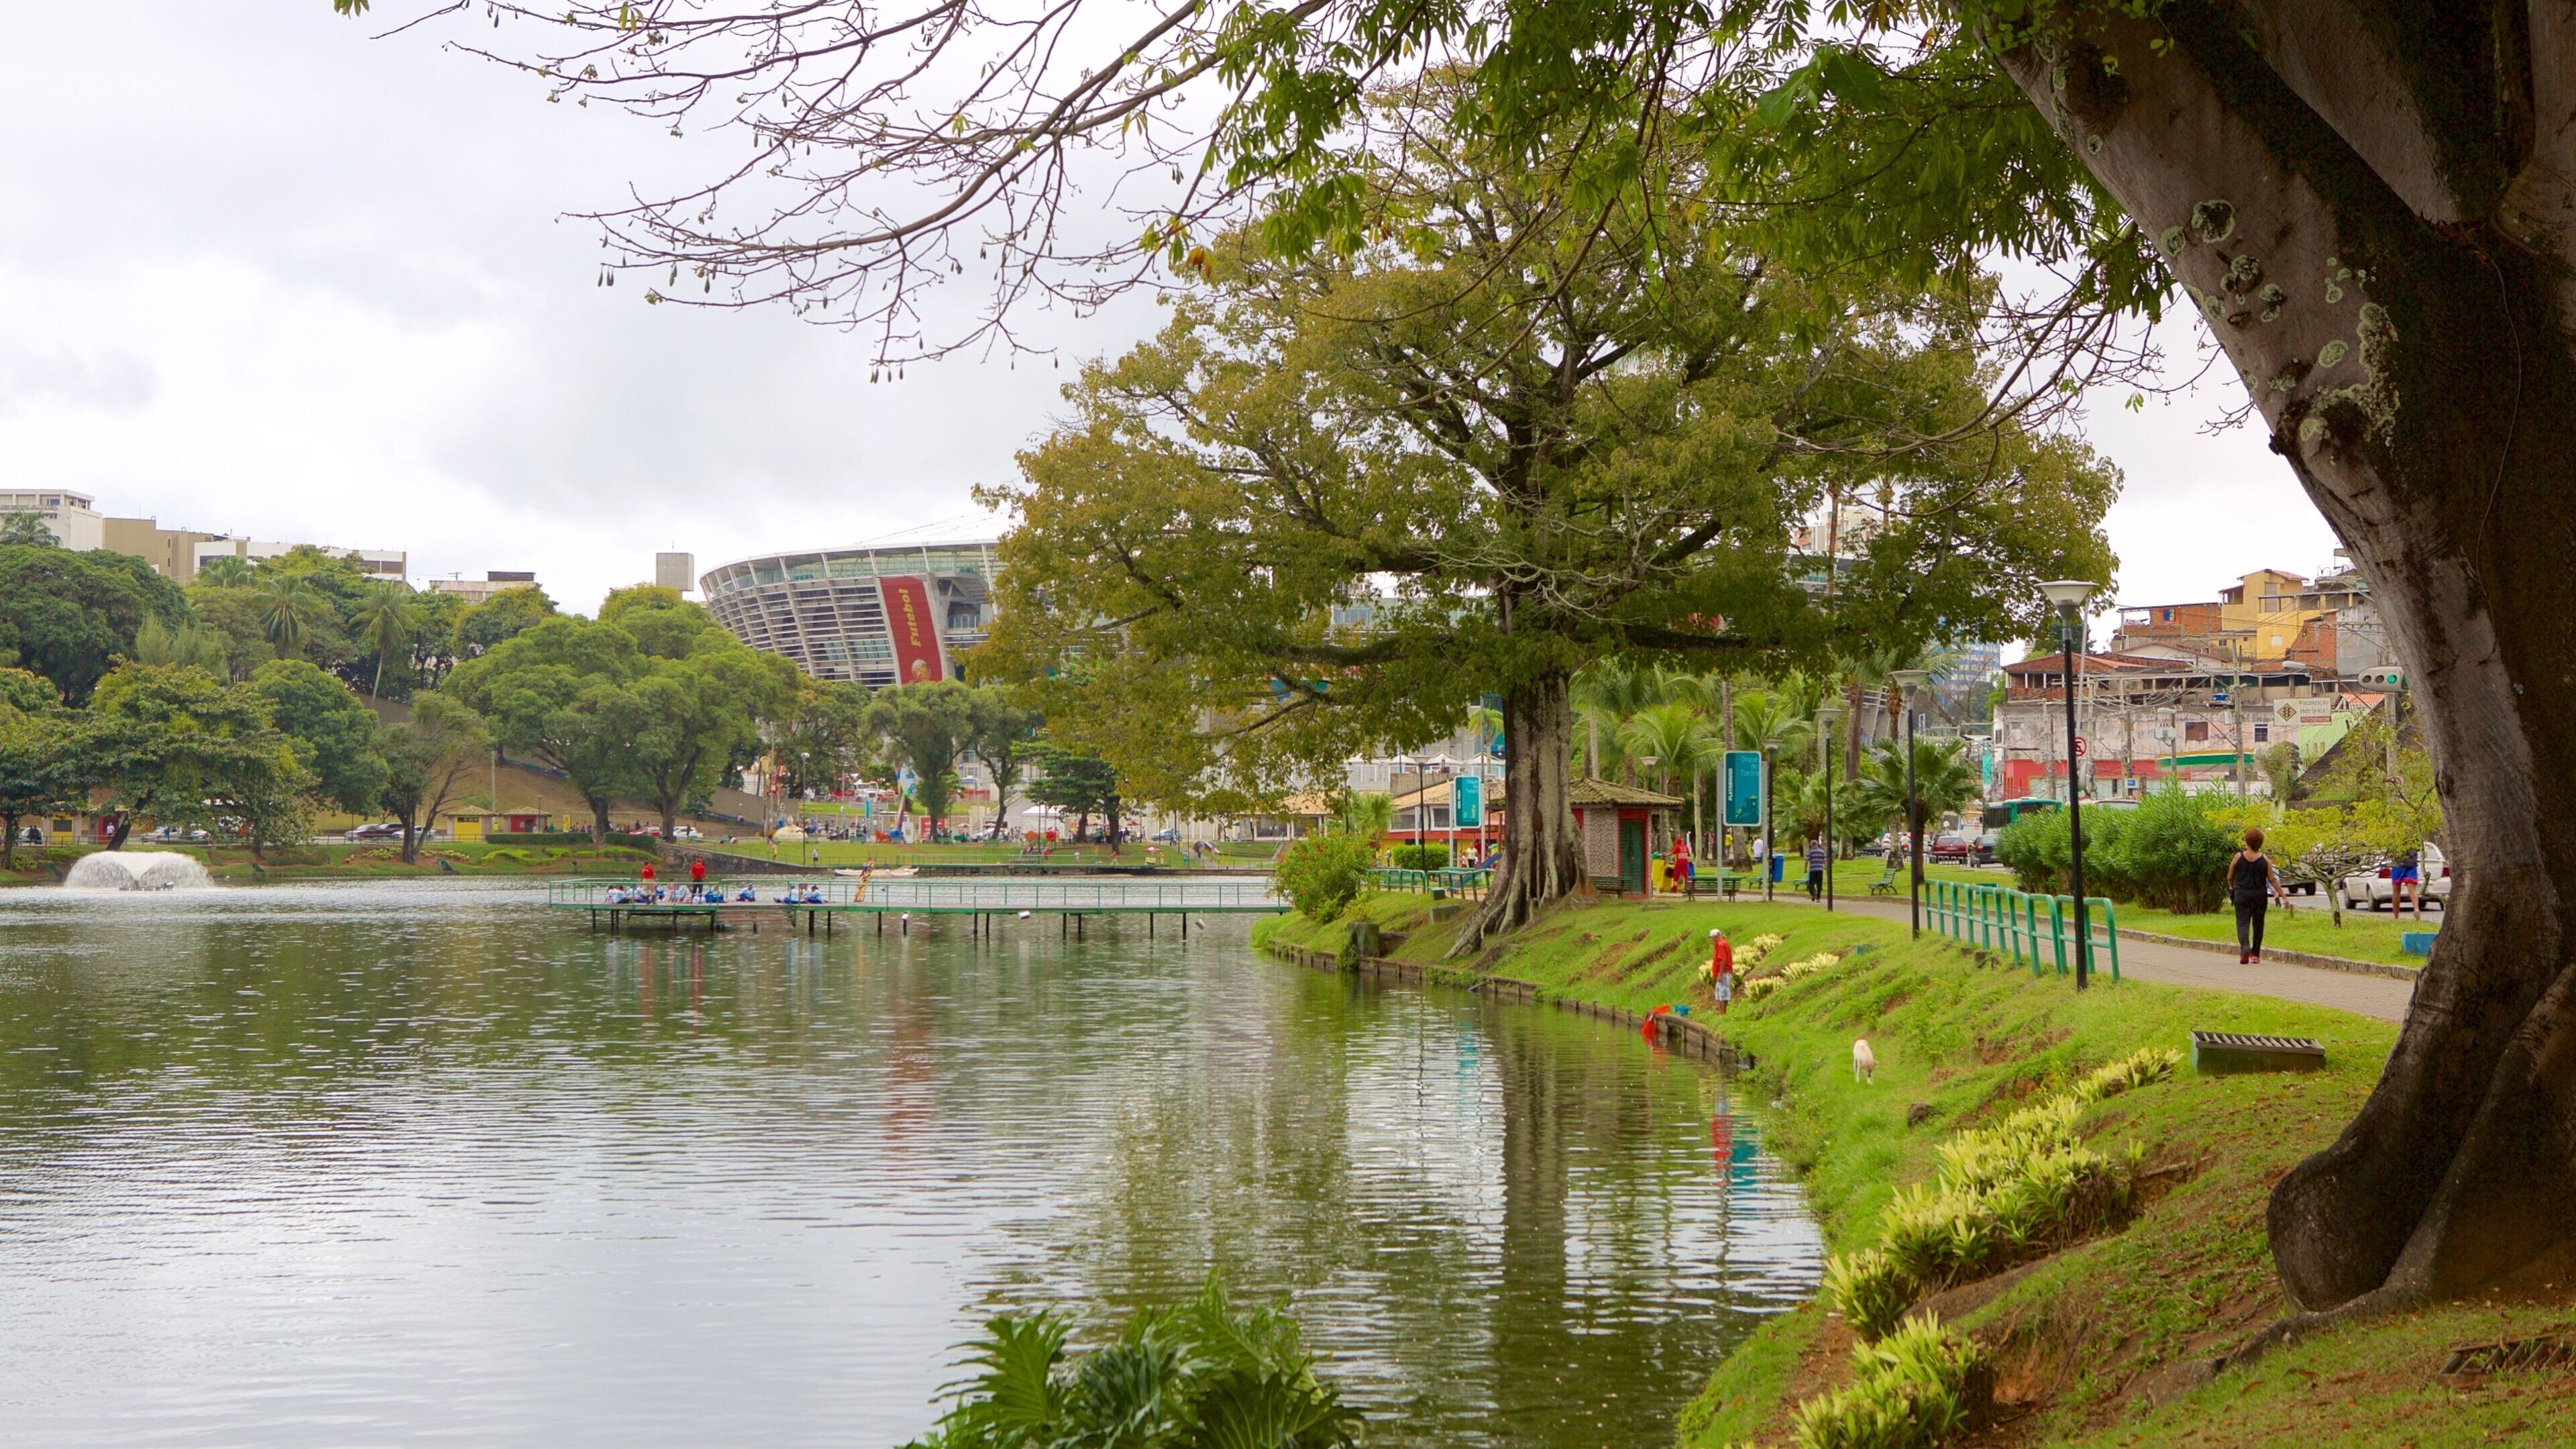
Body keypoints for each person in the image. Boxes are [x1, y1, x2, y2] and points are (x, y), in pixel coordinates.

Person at [2226, 826, 2290, 963]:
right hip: (2260, 895)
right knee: (2258, 923)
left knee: (2242, 922)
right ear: (2260, 843)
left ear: (2246, 842)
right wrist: (2283, 896)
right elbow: (2272, 879)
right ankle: (2255, 954)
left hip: (2242, 894)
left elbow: (2230, 876)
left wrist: (2233, 888)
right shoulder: (2265, 860)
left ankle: (2245, 947)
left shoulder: (2238, 857)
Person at [2390, 842, 2421, 919]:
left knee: (2396, 890)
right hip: (2411, 862)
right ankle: (2416, 909)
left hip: (2398, 862)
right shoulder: (2414, 831)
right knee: (2412, 888)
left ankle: (2396, 917)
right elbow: (2418, 847)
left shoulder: (2393, 831)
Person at [1805, 837, 1828, 902]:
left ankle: (1813, 893)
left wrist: (1805, 869)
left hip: (1813, 870)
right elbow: (1825, 861)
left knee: (1811, 884)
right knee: (1819, 884)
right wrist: (1826, 869)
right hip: (1820, 869)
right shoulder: (1822, 851)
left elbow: (1807, 861)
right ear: (1817, 844)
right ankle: (1818, 898)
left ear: (1811, 845)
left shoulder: (1810, 852)